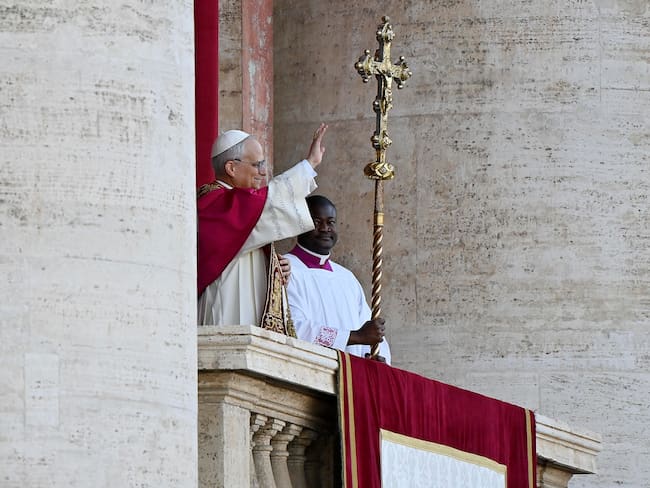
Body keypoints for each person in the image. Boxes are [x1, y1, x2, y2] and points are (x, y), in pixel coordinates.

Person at [197, 124, 328, 332]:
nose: (263, 172)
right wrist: (309, 164)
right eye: (257, 164)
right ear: (231, 168)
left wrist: (274, 268)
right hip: (228, 310)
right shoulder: (215, 204)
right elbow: (270, 200)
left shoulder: (236, 204)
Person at [285, 195, 391, 363]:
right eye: (317, 222)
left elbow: (368, 328)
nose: (325, 228)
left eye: (331, 222)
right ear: (300, 224)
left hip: (351, 375)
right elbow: (293, 328)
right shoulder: (286, 268)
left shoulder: (346, 278)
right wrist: (355, 337)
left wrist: (374, 356)